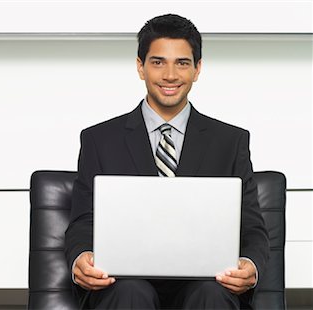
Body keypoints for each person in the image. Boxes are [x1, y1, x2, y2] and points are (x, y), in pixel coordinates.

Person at [65, 13, 270, 309]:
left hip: (206, 284)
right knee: (130, 292)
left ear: (198, 69)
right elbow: (84, 220)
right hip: (123, 285)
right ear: (140, 67)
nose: (170, 75)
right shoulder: (99, 139)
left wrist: (251, 265)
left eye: (182, 63)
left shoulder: (230, 141)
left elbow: (251, 227)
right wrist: (81, 256)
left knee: (210, 294)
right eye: (158, 62)